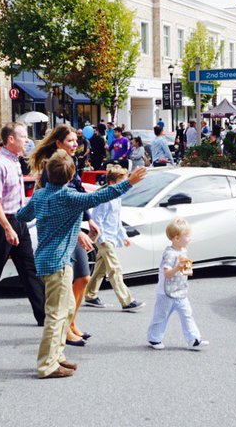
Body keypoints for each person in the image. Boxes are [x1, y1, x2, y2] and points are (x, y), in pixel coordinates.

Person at [16, 152, 145, 379]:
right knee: (56, 315)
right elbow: (102, 195)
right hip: (58, 263)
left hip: (47, 260)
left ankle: (57, 356)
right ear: (70, 176)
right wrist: (129, 182)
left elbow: (22, 216)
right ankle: (47, 365)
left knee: (65, 310)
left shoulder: (40, 195)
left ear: (48, 174)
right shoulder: (69, 196)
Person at [0, 123, 46, 328]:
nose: (27, 140)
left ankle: (44, 315)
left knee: (29, 269)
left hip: (18, 220)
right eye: (23, 136)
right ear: (11, 139)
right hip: (3, 222)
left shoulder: (14, 161)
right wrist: (7, 228)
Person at [31, 126, 98, 345]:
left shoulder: (71, 162)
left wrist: (89, 219)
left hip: (74, 228)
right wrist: (78, 232)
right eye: (69, 140)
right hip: (63, 235)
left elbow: (78, 194)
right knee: (73, 280)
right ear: (58, 143)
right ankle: (65, 328)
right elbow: (57, 206)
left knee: (83, 278)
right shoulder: (53, 167)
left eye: (75, 140)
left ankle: (71, 322)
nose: (75, 144)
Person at [83, 164, 145, 312]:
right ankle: (127, 301)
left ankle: (90, 295)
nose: (124, 185)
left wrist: (123, 236)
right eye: (121, 182)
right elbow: (97, 220)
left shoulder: (117, 198)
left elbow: (116, 221)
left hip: (110, 237)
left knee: (101, 268)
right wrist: (102, 239)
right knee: (115, 268)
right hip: (104, 238)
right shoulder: (105, 198)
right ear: (112, 182)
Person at [146, 218, 209, 350]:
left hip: (180, 291)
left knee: (187, 315)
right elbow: (167, 274)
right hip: (166, 293)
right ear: (176, 238)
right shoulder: (169, 254)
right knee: (161, 316)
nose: (190, 238)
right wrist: (178, 268)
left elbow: (184, 271)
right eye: (187, 236)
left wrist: (186, 269)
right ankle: (154, 338)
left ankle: (194, 340)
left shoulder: (183, 251)